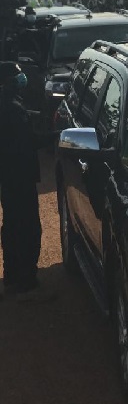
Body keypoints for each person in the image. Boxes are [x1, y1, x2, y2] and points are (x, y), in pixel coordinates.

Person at [0, 62, 55, 301]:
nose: (22, 78)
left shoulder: (9, 104)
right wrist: (56, 136)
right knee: (27, 227)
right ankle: (25, 281)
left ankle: (14, 275)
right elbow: (28, 141)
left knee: (12, 225)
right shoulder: (11, 108)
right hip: (19, 176)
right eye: (17, 76)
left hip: (9, 176)